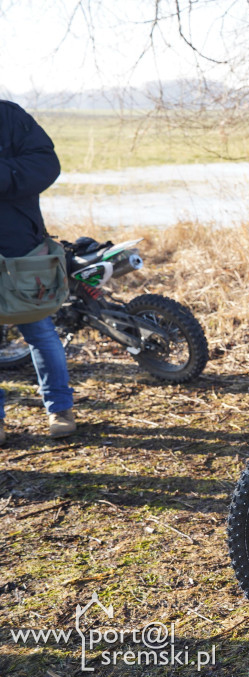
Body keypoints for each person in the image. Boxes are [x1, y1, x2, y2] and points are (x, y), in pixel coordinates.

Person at [0, 100, 75, 445]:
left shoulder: (9, 116)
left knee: (40, 332)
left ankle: (60, 409)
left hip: (20, 249)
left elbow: (46, 165)